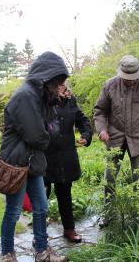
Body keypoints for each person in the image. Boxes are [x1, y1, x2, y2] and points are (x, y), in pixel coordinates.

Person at [0, 51, 68, 262]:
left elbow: (49, 121)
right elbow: (37, 135)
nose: (58, 87)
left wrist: (55, 101)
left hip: (32, 162)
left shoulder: (39, 96)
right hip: (18, 162)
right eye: (56, 83)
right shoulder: (25, 96)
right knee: (13, 211)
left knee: (41, 207)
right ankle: (7, 254)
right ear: (46, 77)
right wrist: (48, 137)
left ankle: (42, 251)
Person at [93, 55, 139, 210]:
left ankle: (138, 212)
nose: (130, 80)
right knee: (109, 178)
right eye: (127, 78)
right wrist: (102, 130)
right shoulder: (110, 85)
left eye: (133, 77)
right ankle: (109, 211)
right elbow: (100, 111)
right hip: (115, 139)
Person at [44, 83, 92, 243]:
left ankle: (69, 229)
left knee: (65, 193)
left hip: (65, 155)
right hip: (45, 156)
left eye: (64, 83)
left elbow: (82, 120)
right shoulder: (42, 100)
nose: (64, 87)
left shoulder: (70, 101)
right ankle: (40, 234)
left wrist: (86, 135)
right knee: (41, 196)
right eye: (59, 84)